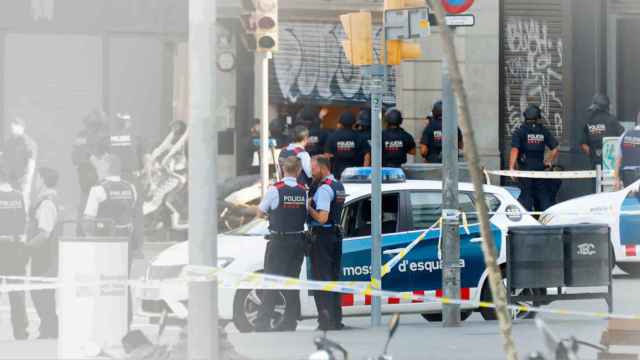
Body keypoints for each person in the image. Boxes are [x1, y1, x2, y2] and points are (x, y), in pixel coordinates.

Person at [254, 156, 308, 332]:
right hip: (298, 241)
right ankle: (290, 321)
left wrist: (273, 215)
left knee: (271, 281)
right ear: (299, 171)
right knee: (292, 281)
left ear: (283, 169)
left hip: (279, 242)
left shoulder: (275, 189)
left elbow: (260, 212)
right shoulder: (302, 190)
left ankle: (263, 322)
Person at [83, 154, 137, 327]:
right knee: (123, 280)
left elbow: (88, 221)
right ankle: (125, 321)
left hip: (104, 243)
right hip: (125, 243)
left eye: (100, 165)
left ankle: (105, 320)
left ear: (107, 167)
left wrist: (89, 241)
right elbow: (130, 213)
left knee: (103, 281)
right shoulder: (131, 188)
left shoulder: (98, 190)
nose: (97, 168)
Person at [307, 155, 346, 331]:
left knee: (321, 280)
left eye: (313, 169)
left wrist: (308, 207)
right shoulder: (338, 185)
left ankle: (325, 322)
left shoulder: (323, 189)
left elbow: (322, 218)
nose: (311, 172)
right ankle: (336, 320)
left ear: (323, 168)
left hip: (323, 236)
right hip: (335, 236)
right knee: (333, 278)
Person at [27, 167, 60, 339]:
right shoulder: (45, 201)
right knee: (41, 293)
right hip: (43, 256)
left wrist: (26, 248)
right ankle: (49, 330)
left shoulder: (47, 203)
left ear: (42, 179)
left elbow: (44, 234)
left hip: (45, 257)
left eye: (37, 178)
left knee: (42, 294)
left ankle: (50, 332)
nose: (35, 182)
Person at [509, 104, 560, 211]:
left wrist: (511, 168)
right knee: (543, 196)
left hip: (525, 169)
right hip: (540, 168)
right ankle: (545, 219)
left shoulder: (520, 131)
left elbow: (515, 150)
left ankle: (526, 221)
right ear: (538, 118)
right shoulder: (543, 131)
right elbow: (555, 148)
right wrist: (548, 161)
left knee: (526, 196)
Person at [107, 113, 144, 258]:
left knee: (114, 210)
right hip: (132, 178)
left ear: (117, 122)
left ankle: (114, 246)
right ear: (128, 122)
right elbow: (146, 159)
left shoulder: (109, 138)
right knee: (135, 212)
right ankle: (136, 249)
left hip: (114, 178)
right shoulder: (137, 138)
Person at [0, 157, 28, 340]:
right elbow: (23, 221)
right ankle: (21, 332)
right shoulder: (18, 196)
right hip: (16, 249)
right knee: (17, 292)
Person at [73, 111, 108, 212]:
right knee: (89, 202)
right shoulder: (104, 135)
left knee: (87, 203)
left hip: (90, 173)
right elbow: (76, 154)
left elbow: (75, 155)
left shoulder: (83, 135)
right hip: (90, 174)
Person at [580, 94, 625, 169]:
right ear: (607, 107)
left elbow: (583, 144)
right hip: (612, 164)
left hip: (595, 165)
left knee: (596, 180)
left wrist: (594, 155)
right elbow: (624, 138)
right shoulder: (612, 120)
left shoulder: (589, 121)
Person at [3, 117, 37, 210]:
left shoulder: (29, 143)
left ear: (22, 128)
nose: (13, 128)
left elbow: (31, 162)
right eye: (12, 126)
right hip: (10, 179)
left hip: (23, 179)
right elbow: (4, 158)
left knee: (23, 201)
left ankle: (24, 221)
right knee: (10, 202)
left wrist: (28, 180)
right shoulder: (9, 142)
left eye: (16, 126)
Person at [325, 112, 370, 179]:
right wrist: (364, 173)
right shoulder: (360, 137)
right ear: (354, 123)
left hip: (337, 174)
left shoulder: (332, 136)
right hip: (355, 174)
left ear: (340, 123)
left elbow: (327, 156)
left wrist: (328, 173)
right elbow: (367, 156)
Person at [615, 112, 640, 188]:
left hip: (627, 176)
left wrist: (616, 179)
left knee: (630, 199)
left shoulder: (625, 135)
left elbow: (618, 159)